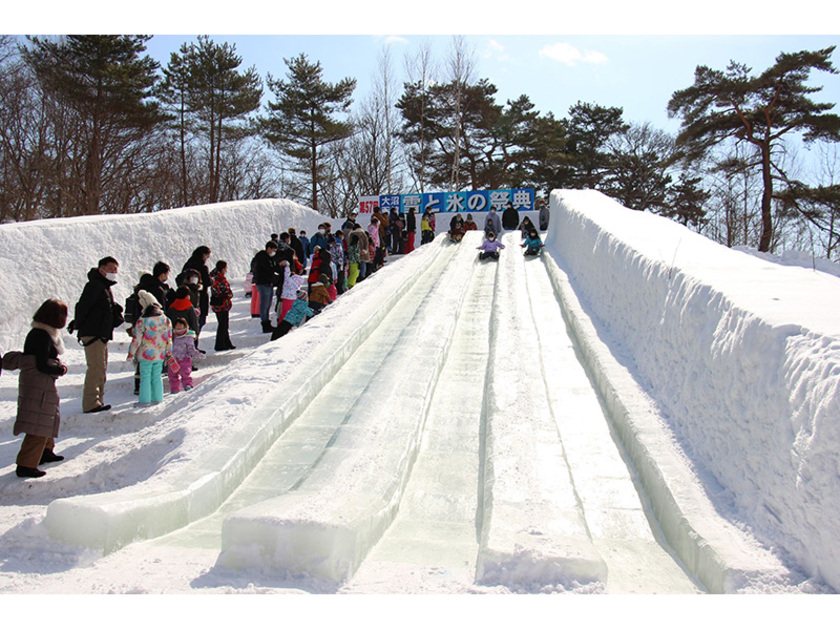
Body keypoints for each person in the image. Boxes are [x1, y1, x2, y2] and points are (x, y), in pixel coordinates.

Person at [3, 299, 69, 478]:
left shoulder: (42, 332)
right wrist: (60, 369)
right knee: (38, 423)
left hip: (39, 383)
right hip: (38, 383)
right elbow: (40, 364)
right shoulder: (41, 335)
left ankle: (46, 451)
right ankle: (26, 464)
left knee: (46, 417)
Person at [73, 256, 124, 414]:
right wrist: (78, 325)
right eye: (111, 270)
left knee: (101, 368)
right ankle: (91, 403)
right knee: (95, 368)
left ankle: (98, 400)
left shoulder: (104, 287)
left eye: (115, 270)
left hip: (101, 334)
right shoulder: (95, 286)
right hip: (93, 334)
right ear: (101, 269)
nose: (114, 273)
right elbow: (83, 307)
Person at [127, 291, 172, 407]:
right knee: (157, 376)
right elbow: (169, 338)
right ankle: (158, 398)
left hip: (146, 354)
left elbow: (137, 339)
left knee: (145, 376)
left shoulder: (142, 320)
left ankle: (144, 400)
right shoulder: (165, 319)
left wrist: (131, 352)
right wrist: (168, 352)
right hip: (160, 354)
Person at [251, 241, 281, 333]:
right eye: (273, 250)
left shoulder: (267, 257)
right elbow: (268, 269)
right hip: (263, 283)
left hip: (268, 283)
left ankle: (267, 322)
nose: (274, 252)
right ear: (268, 248)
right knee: (264, 304)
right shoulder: (262, 257)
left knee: (267, 304)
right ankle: (265, 324)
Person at [168, 317, 203, 393]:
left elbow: (191, 349)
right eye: (177, 325)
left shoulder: (188, 336)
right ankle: (174, 389)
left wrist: (197, 354)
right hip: (173, 359)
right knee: (172, 375)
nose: (179, 327)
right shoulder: (172, 336)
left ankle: (188, 386)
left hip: (184, 358)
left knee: (185, 373)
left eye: (181, 325)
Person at [182, 246, 212, 332]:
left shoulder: (187, 265)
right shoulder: (203, 267)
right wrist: (211, 280)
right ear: (203, 255)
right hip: (200, 298)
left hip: (187, 297)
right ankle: (194, 343)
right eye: (207, 256)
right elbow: (208, 282)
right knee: (199, 322)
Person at [209, 260, 235, 351]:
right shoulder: (221, 279)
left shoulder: (213, 276)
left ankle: (227, 343)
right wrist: (230, 295)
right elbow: (226, 292)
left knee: (222, 323)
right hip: (223, 304)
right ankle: (220, 344)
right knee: (223, 325)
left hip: (215, 303)